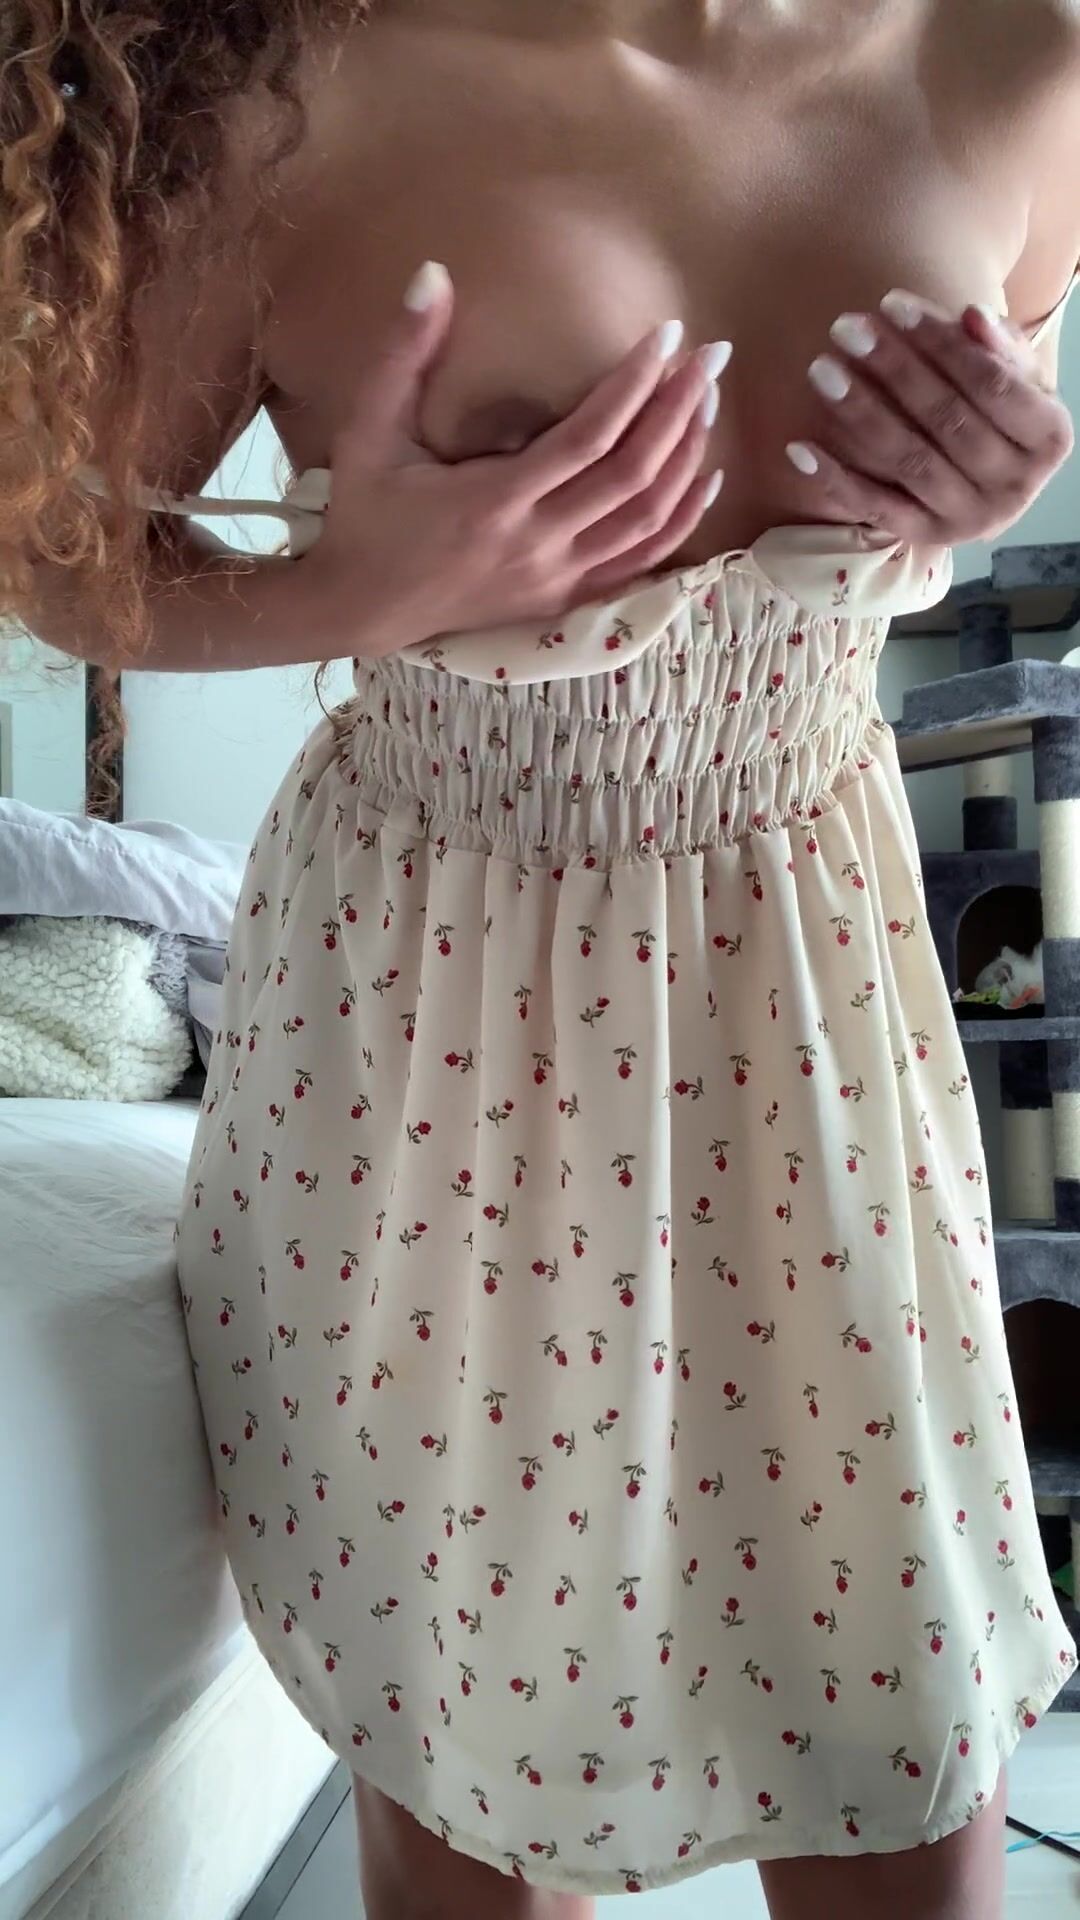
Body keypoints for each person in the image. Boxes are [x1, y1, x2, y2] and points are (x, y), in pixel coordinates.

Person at [4, 3, 1080, 1915]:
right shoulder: (277, 92)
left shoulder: (1024, 58)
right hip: (432, 1031)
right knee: (474, 1756)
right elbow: (55, 553)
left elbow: (1006, 380)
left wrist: (995, 476)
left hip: (805, 1003)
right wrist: (356, 588)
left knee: (905, 1730)